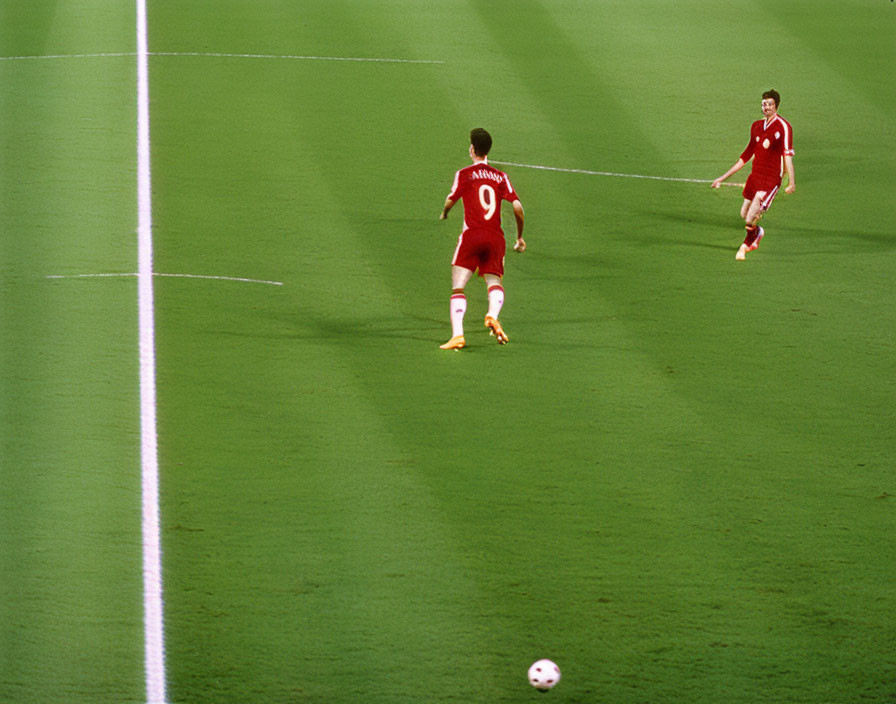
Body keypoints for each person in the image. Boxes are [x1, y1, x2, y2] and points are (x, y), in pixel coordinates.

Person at [438, 128, 526, 350]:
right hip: (496, 238)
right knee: (494, 282)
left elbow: (451, 198)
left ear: (472, 149)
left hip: (472, 235)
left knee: (458, 287)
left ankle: (458, 335)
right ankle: (492, 314)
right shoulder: (501, 176)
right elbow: (517, 206)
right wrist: (520, 237)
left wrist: (445, 213)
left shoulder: (465, 174)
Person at [712, 89, 795, 260]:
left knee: (750, 218)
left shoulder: (784, 127)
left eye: (770, 104)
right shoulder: (756, 126)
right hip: (755, 177)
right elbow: (745, 156)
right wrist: (722, 177)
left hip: (771, 180)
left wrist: (791, 182)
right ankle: (757, 233)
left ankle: (746, 244)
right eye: (764, 104)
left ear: (777, 105)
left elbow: (787, 155)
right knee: (744, 214)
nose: (766, 107)